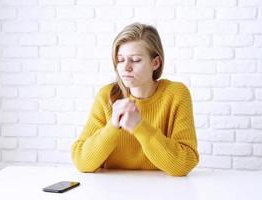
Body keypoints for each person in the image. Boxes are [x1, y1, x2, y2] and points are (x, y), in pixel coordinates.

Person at [71, 22, 199, 176]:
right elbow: (82, 162)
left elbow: (184, 164)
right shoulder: (106, 96)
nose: (126, 67)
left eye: (136, 60)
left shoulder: (176, 94)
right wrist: (113, 125)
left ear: (155, 63)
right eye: (120, 59)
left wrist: (139, 126)